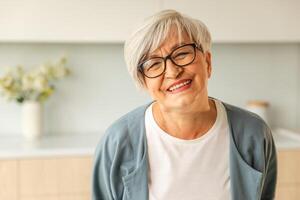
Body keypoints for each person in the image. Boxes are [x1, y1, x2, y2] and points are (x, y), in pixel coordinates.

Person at [92, 9, 277, 200]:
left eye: (181, 53)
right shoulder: (117, 142)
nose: (172, 71)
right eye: (153, 64)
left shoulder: (254, 134)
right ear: (144, 82)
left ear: (207, 61)